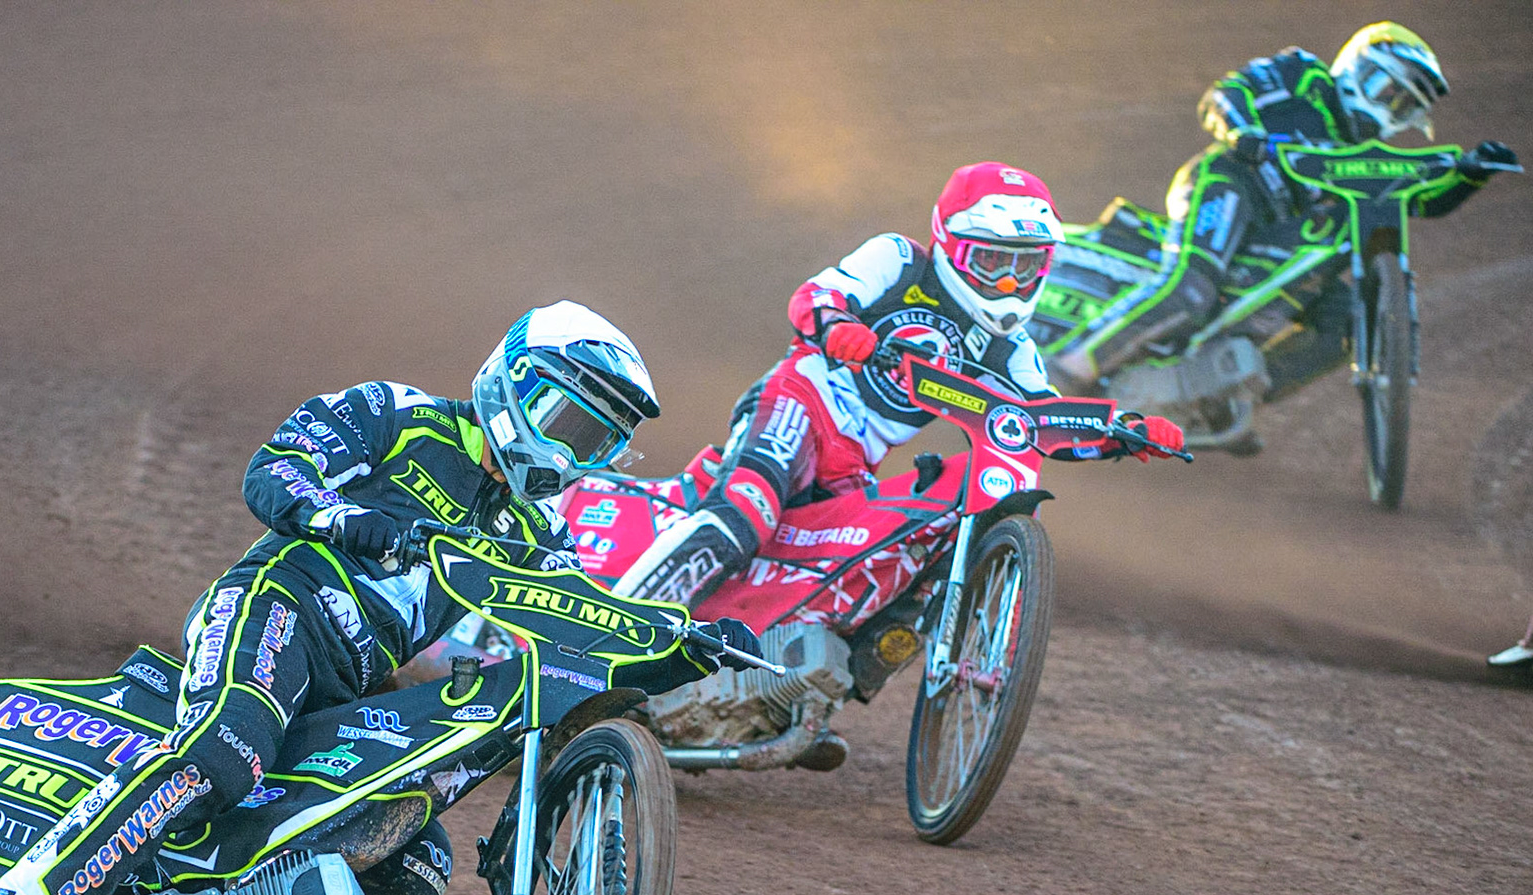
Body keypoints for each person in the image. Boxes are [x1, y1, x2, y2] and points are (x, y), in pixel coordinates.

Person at [0, 302, 761, 895]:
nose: (571, 455)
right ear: (513, 382)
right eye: (567, 425)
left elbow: (581, 619)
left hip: (352, 683)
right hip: (279, 604)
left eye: (597, 443)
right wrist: (345, 519)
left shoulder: (532, 532)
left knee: (414, 861)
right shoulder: (397, 411)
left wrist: (685, 643)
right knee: (223, 753)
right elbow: (273, 471)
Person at [614, 161, 1184, 611]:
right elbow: (815, 298)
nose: (1009, 282)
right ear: (951, 245)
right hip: (802, 405)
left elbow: (1041, 422)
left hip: (853, 466)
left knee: (863, 582)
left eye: (1026, 266)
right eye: (991, 262)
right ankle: (612, 634)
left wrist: (1121, 431)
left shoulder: (1014, 352)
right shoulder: (899, 260)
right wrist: (840, 329)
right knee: (746, 515)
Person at [1050, 22, 1518, 412]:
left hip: (1280, 234)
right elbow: (1224, 94)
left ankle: (1225, 398)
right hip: (1231, 182)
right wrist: (1243, 132)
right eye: (1387, 91)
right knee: (1191, 290)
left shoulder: (1365, 158)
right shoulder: (1304, 75)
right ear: (1357, 68)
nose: (1390, 111)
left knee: (1351, 320)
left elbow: (1420, 202)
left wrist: (1472, 175)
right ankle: (1071, 370)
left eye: (1406, 106)